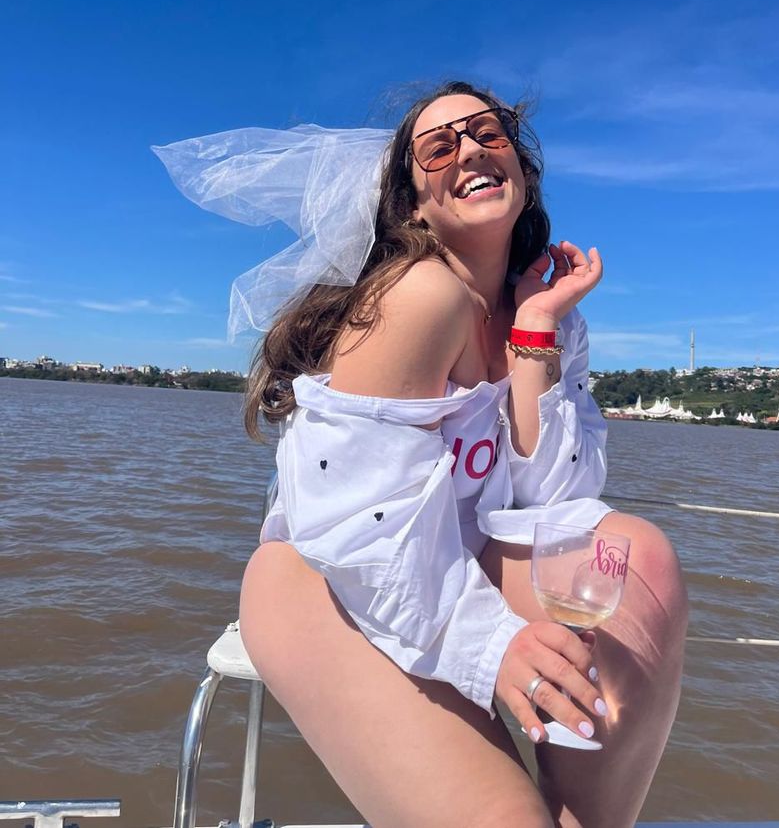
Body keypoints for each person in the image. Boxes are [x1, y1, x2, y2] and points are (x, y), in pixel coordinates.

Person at [159, 81, 688, 828]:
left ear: (521, 167)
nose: (469, 150)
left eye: (488, 133)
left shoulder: (547, 315)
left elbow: (555, 503)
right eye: (439, 147)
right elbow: (363, 528)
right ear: (412, 204)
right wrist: (492, 647)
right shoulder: (419, 297)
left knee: (641, 559)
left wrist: (534, 331)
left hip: (460, 557)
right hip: (330, 575)